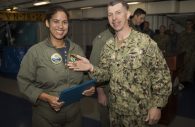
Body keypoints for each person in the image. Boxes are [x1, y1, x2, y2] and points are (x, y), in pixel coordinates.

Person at [68, 0, 172, 126]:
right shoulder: (108, 46)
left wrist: (157, 105)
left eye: (118, 12)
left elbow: (162, 75)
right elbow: (105, 75)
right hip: (115, 114)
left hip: (139, 114)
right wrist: (90, 67)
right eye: (110, 14)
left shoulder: (145, 42)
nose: (114, 18)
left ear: (128, 14)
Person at [17, 5, 94, 127]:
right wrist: (46, 97)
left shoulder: (76, 50)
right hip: (46, 117)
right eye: (56, 21)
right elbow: (24, 83)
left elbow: (83, 76)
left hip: (74, 116)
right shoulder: (36, 52)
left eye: (64, 22)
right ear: (47, 23)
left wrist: (88, 87)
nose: (61, 26)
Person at [89, 27, 114, 127]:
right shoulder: (102, 39)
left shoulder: (126, 36)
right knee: (106, 120)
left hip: (123, 94)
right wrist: (100, 92)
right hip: (107, 89)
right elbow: (95, 67)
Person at [177, 19, 195, 86]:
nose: (188, 25)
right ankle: (182, 81)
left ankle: (188, 81)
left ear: (192, 24)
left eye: (189, 24)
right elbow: (178, 44)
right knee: (182, 68)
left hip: (192, 55)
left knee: (191, 68)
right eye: (187, 24)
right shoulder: (182, 34)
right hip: (183, 54)